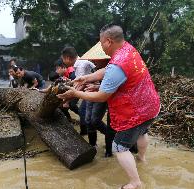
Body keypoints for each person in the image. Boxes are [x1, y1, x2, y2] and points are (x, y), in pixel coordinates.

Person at [58, 24, 160, 189]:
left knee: (119, 147)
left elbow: (102, 96)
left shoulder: (117, 64)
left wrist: (75, 94)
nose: (101, 47)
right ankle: (142, 159)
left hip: (136, 112)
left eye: (100, 42)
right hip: (151, 106)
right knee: (143, 132)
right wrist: (86, 78)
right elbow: (108, 70)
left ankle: (135, 183)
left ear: (108, 41)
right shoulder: (129, 50)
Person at [61, 46, 96, 135]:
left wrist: (67, 100)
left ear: (67, 58)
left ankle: (87, 134)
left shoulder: (81, 65)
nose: (63, 62)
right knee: (84, 112)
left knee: (86, 114)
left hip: (95, 90)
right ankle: (85, 132)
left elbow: (81, 85)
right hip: (91, 89)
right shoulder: (78, 64)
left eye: (63, 59)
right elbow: (78, 83)